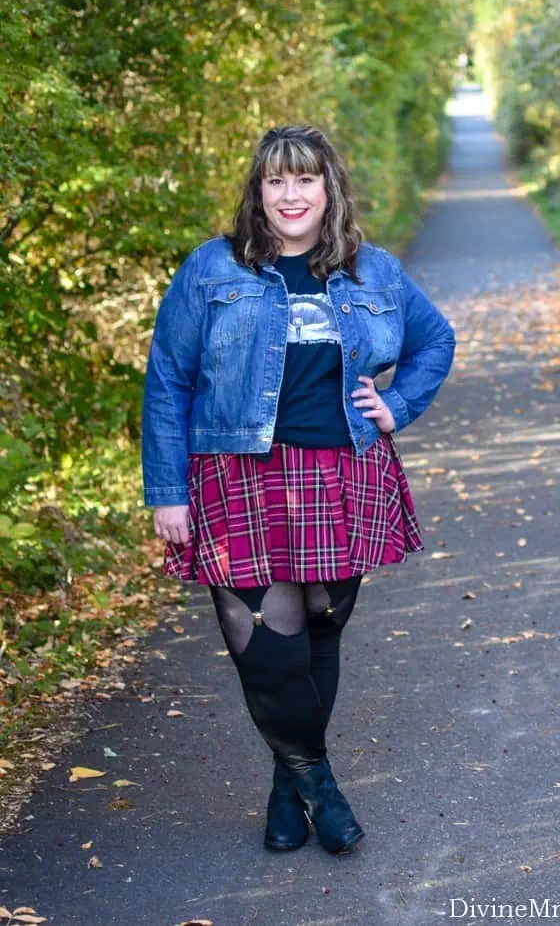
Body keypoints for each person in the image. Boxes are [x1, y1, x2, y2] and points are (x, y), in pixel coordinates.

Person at [141, 124, 456, 855]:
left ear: (329, 188)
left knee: (321, 623)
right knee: (263, 639)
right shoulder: (212, 270)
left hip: (343, 472)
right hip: (237, 474)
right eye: (276, 180)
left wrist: (396, 406)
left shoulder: (372, 270)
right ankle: (320, 785)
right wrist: (167, 489)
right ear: (258, 190)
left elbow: (435, 341)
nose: (290, 194)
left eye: (305, 179)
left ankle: (287, 786)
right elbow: (169, 381)